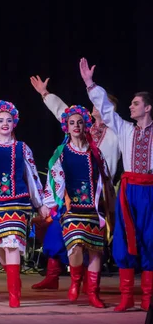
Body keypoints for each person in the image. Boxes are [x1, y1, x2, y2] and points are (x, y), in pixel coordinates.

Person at [30, 75, 120, 292]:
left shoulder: (117, 134)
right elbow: (64, 112)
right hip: (71, 196)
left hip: (98, 195)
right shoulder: (82, 126)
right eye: (95, 105)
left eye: (102, 105)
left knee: (94, 243)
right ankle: (54, 276)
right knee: (56, 235)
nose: (96, 108)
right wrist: (45, 93)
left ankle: (92, 288)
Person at [80, 57, 153, 312]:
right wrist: (90, 84)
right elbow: (107, 110)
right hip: (128, 190)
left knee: (150, 240)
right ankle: (126, 297)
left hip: (151, 191)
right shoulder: (125, 129)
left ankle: (147, 298)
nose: (130, 107)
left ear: (148, 108)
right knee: (123, 239)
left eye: (135, 104)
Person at [0, 100, 45, 307]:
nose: (5, 123)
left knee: (12, 243)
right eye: (0, 120)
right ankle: (14, 279)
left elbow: (32, 176)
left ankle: (14, 295)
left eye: (9, 120)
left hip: (18, 204)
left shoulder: (23, 148)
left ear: (14, 123)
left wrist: (39, 203)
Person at [42, 104, 112, 308]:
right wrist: (49, 203)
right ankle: (74, 283)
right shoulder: (62, 151)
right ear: (66, 126)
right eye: (72, 123)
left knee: (96, 250)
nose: (76, 126)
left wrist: (109, 207)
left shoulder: (95, 152)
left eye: (80, 122)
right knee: (76, 244)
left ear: (85, 125)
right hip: (71, 209)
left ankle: (93, 292)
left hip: (93, 209)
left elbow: (105, 179)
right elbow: (53, 178)